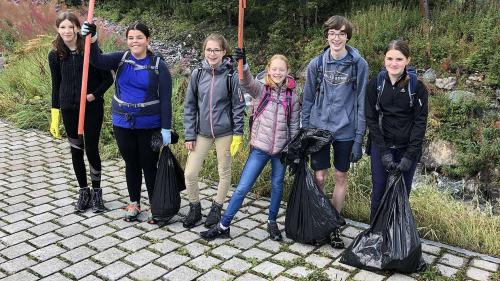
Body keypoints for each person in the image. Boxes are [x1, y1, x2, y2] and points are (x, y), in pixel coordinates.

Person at [200, 51, 300, 241]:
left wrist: (294, 151)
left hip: (281, 151)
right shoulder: (261, 90)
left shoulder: (292, 97)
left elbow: (294, 125)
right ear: (268, 70)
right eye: (274, 69)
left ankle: (272, 223)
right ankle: (223, 225)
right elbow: (246, 82)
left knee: (277, 186)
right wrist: (243, 64)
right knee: (242, 187)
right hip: (260, 148)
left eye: (282, 69)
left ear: (288, 71)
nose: (278, 72)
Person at [81, 21, 173, 222]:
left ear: (147, 40)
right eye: (131, 37)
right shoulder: (120, 59)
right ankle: (134, 203)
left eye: (139, 37)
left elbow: (166, 100)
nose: (135, 41)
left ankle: (155, 206)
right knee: (131, 163)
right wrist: (92, 37)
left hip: (150, 124)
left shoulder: (159, 66)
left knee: (149, 165)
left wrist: (166, 128)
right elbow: (96, 60)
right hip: (122, 122)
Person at [301, 15, 369, 248]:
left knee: (341, 177)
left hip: (345, 130)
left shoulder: (358, 64)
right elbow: (307, 99)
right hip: (319, 128)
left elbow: (361, 101)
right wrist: (305, 131)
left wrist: (359, 139)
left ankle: (334, 225)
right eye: (332, 33)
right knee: (319, 177)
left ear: (347, 36)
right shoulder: (316, 64)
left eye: (341, 33)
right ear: (327, 36)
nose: (336, 37)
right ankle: (321, 221)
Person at [48, 12, 113, 213]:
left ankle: (96, 193)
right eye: (63, 27)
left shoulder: (90, 51)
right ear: (58, 30)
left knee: (92, 150)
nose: (67, 31)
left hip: (91, 109)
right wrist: (55, 114)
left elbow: (108, 79)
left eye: (71, 27)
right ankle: (83, 192)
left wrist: (94, 94)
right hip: (69, 109)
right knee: (76, 151)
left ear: (77, 28)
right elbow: (56, 85)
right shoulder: (56, 54)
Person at [183, 34, 246, 229]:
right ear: (204, 51)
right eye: (209, 50)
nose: (212, 53)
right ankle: (194, 207)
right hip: (201, 132)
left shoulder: (230, 76)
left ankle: (216, 208)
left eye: (216, 50)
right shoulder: (198, 73)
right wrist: (189, 134)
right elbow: (190, 105)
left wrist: (238, 133)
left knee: (224, 172)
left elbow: (238, 106)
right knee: (190, 173)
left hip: (224, 132)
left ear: (223, 52)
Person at [365, 39, 428, 221]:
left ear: (407, 60)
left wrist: (410, 155)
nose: (394, 63)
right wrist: (383, 152)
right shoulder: (375, 84)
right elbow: (371, 118)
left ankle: (396, 238)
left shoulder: (417, 87)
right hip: (381, 145)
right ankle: (375, 235)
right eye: (390, 58)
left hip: (406, 147)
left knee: (401, 193)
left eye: (399, 59)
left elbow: (420, 123)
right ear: (384, 60)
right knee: (378, 191)